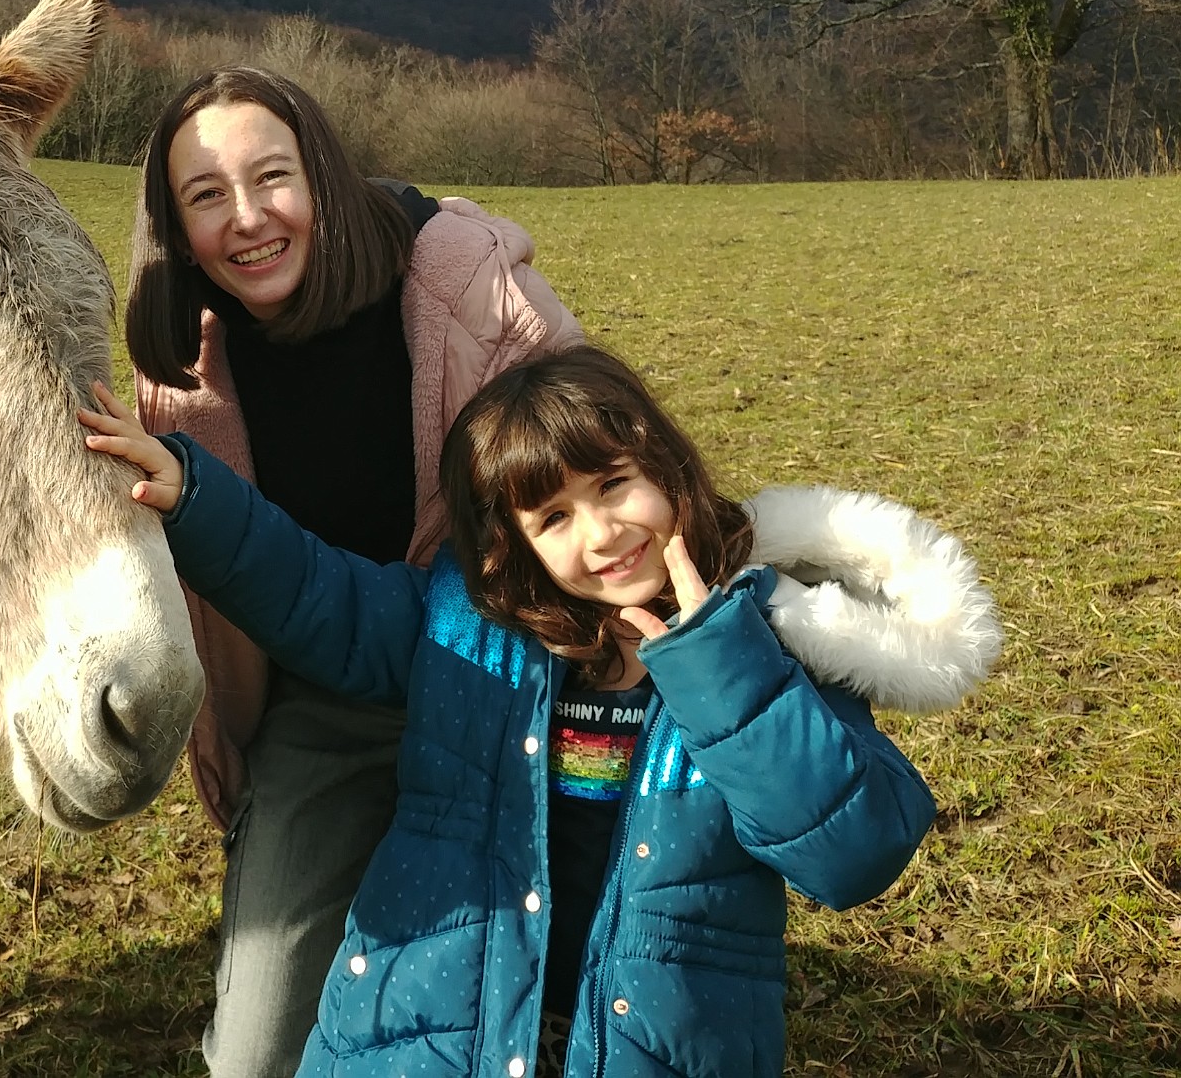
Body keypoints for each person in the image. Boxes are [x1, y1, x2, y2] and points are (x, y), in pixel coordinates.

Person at [82, 344, 995, 1078]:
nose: (601, 533)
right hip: (438, 1031)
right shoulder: (470, 629)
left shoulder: (775, 642)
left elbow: (854, 852)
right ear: (513, 545)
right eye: (552, 518)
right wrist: (194, 497)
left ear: (669, 468)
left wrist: (718, 662)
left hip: (644, 1046)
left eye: (613, 484)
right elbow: (320, 596)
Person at [125, 65, 581, 1076]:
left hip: (511, 686)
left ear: (321, 174)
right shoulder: (184, 375)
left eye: (270, 177)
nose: (248, 219)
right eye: (206, 195)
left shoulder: (463, 287)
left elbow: (587, 457)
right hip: (320, 709)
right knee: (253, 1058)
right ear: (177, 230)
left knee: (539, 1013)